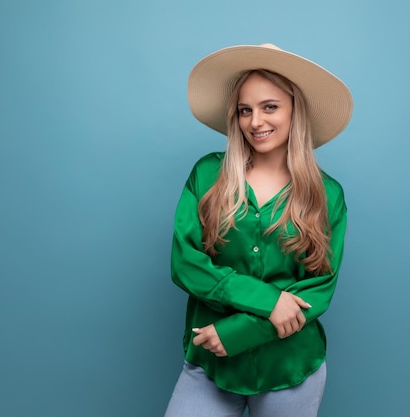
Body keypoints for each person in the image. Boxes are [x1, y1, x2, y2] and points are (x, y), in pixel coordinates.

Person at [164, 43, 353, 417]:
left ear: (295, 110)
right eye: (245, 110)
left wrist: (240, 332)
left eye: (270, 107)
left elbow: (319, 288)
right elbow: (185, 263)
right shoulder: (207, 175)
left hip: (289, 366)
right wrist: (268, 300)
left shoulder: (327, 195)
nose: (255, 122)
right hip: (212, 363)